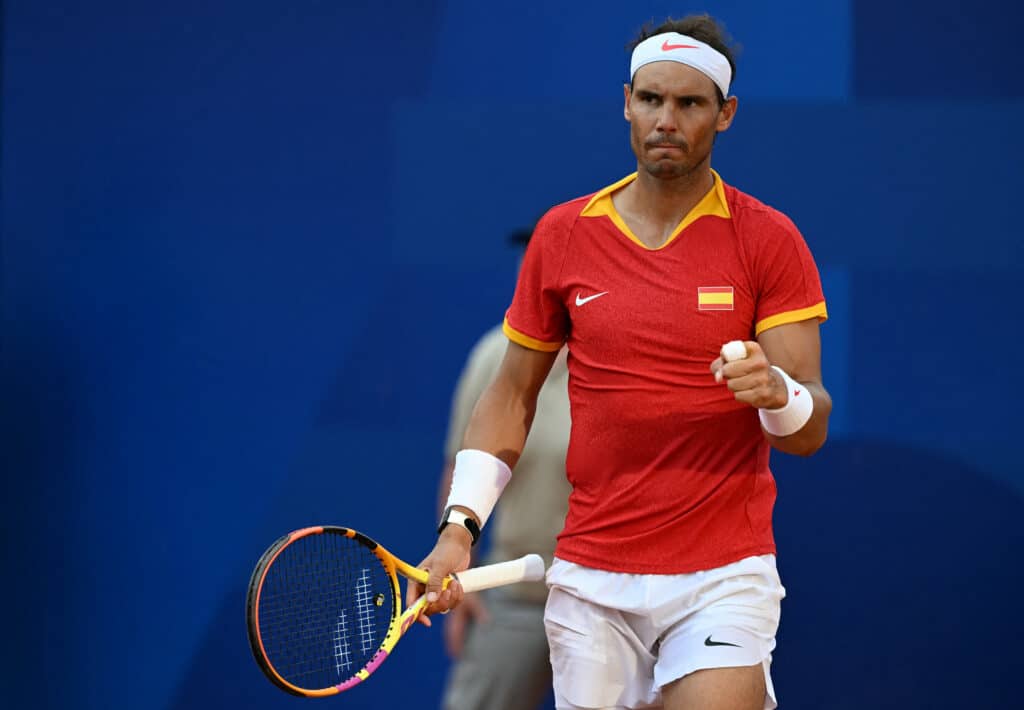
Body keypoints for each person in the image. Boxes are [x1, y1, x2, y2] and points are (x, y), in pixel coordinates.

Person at [409, 13, 831, 710]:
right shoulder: (563, 234)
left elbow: (809, 429)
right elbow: (511, 396)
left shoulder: (769, 240)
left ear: (724, 115)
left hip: (723, 574)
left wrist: (776, 391)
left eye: (690, 103)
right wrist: (458, 530)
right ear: (626, 102)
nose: (667, 119)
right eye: (651, 99)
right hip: (592, 576)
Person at [437, 225, 572, 710]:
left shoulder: (620, 361)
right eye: (528, 267)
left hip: (613, 594)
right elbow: (462, 466)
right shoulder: (493, 356)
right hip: (514, 591)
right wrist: (456, 551)